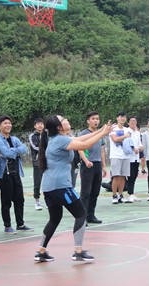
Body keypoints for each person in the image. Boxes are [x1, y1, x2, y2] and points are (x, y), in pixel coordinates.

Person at [34, 115, 111, 263]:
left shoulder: (57, 139)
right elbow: (84, 145)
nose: (67, 121)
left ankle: (41, 251)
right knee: (81, 214)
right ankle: (78, 252)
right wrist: (102, 133)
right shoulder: (60, 140)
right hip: (61, 186)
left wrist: (101, 131)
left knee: (55, 218)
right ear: (59, 127)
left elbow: (81, 139)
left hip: (49, 186)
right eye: (64, 120)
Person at [0, 116, 33, 234]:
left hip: (16, 172)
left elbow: (24, 149)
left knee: (19, 199)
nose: (8, 125)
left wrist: (13, 150)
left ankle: (20, 224)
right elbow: (8, 154)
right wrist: (16, 151)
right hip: (4, 174)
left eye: (9, 123)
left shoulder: (14, 139)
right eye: (5, 123)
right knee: (6, 201)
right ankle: (7, 226)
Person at [77, 111, 107, 224]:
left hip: (97, 164)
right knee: (86, 193)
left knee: (95, 192)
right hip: (87, 165)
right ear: (88, 121)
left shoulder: (100, 134)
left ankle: (90, 215)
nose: (96, 121)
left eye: (97, 119)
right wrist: (86, 161)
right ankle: (82, 218)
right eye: (93, 119)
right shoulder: (83, 134)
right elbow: (80, 149)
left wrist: (103, 166)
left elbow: (102, 150)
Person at [109, 112, 133, 204]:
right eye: (121, 117)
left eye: (124, 117)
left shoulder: (127, 129)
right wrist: (124, 136)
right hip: (116, 156)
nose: (122, 118)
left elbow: (129, 141)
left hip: (125, 156)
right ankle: (114, 195)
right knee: (116, 176)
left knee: (123, 176)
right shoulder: (113, 129)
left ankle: (120, 195)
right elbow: (115, 139)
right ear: (117, 118)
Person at [126, 116, 143, 202]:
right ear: (128, 123)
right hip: (129, 158)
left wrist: (141, 147)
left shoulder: (137, 133)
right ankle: (130, 194)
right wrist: (133, 148)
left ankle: (132, 193)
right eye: (131, 121)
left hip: (136, 158)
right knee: (130, 176)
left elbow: (139, 143)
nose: (133, 122)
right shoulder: (126, 131)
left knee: (135, 175)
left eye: (134, 121)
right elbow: (126, 143)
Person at [29, 118, 45, 211]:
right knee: (37, 182)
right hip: (37, 162)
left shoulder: (47, 135)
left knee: (47, 182)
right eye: (38, 124)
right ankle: (37, 201)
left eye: (41, 124)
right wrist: (46, 149)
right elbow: (35, 147)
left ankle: (48, 200)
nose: (40, 125)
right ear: (35, 126)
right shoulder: (32, 136)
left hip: (48, 161)